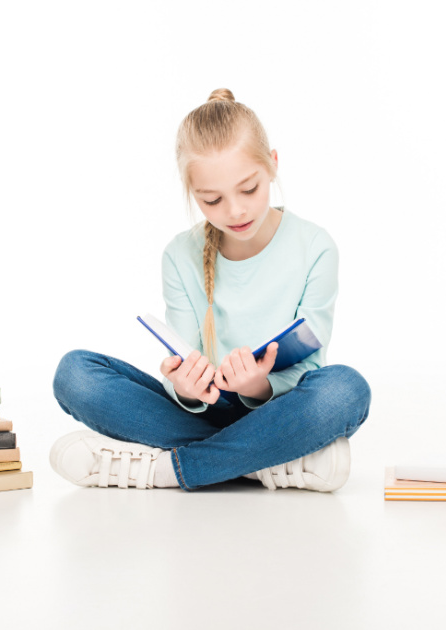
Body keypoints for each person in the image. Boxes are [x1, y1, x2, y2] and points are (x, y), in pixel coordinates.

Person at [50, 88, 371, 491]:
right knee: (75, 374)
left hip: (279, 409)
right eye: (212, 199)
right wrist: (184, 388)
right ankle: (269, 459)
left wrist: (256, 385)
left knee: (346, 389)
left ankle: (168, 469)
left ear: (272, 165)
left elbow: (310, 367)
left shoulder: (315, 246)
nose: (235, 211)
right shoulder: (179, 255)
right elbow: (182, 361)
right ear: (192, 193)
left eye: (249, 189)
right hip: (202, 412)